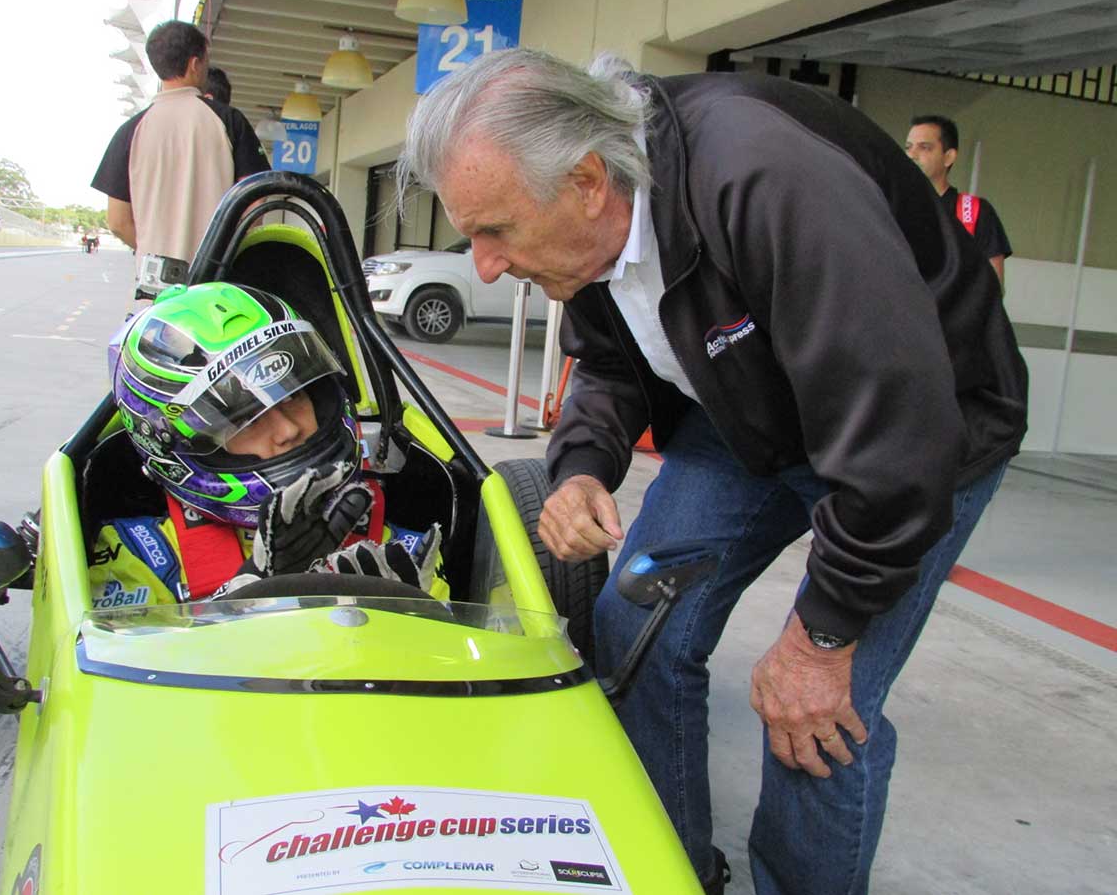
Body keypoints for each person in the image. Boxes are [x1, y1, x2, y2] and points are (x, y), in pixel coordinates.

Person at [396, 49, 1028, 895]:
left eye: (494, 230)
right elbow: (611, 364)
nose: (482, 265)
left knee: (814, 714)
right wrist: (582, 468)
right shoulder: (588, 222)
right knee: (635, 625)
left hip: (921, 439)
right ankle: (673, 869)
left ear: (587, 180)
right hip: (752, 420)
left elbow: (896, 435)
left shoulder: (764, 179)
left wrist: (823, 634)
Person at [90, 281, 440, 609]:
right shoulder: (143, 556)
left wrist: (402, 618)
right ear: (177, 447)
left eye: (295, 396)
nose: (287, 429)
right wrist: (245, 595)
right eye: (245, 420)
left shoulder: (405, 555)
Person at [91, 21, 269, 311]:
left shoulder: (131, 131)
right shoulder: (228, 121)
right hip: (217, 294)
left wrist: (154, 249)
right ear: (195, 64)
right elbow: (256, 203)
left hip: (155, 297)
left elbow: (118, 221)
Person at [906, 114, 1012, 288]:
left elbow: (994, 287)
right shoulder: (895, 206)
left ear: (948, 157)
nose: (912, 155)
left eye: (924, 148)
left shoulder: (974, 212)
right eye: (908, 147)